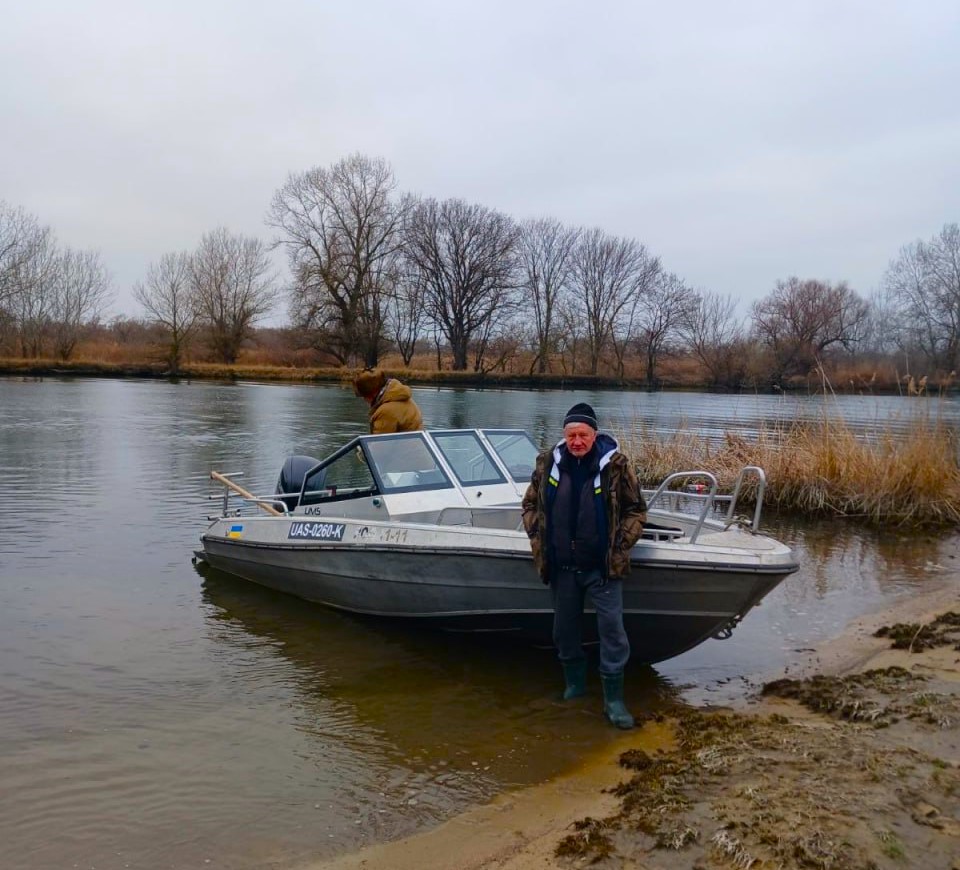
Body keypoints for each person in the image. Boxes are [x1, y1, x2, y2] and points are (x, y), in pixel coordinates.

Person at [521, 402, 647, 729]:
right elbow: (530, 504)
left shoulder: (616, 466)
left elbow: (636, 510)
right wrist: (536, 532)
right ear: (565, 436)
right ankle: (574, 688)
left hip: (602, 569)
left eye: (583, 435)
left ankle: (614, 700)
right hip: (562, 568)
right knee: (564, 632)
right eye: (572, 435)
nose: (577, 441)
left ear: (594, 435)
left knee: (612, 633)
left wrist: (620, 545)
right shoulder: (548, 463)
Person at [353, 368, 423, 434]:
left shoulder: (385, 412)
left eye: (363, 396)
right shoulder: (405, 399)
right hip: (414, 446)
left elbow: (379, 443)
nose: (364, 400)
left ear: (371, 394)